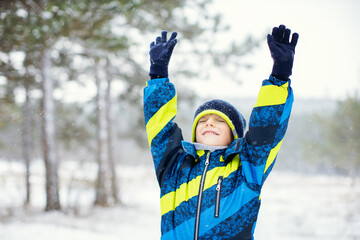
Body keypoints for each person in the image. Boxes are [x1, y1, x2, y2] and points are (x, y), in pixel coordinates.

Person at [143, 25, 299, 240]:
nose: (209, 124)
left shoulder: (247, 169)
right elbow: (159, 128)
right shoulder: (175, 167)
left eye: (219, 121)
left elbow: (267, 129)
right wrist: (158, 77)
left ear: (234, 134)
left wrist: (279, 77)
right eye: (203, 120)